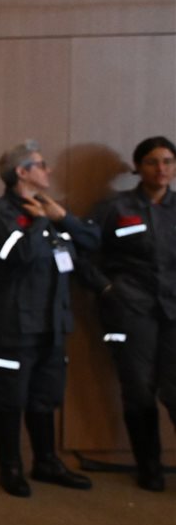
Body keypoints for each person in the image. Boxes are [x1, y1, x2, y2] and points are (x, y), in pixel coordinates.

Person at [0, 140, 100, 497]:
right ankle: (11, 467)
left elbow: (91, 243)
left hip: (52, 325)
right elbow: (15, 257)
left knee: (45, 397)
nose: (48, 170)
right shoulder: (0, 213)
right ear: (22, 172)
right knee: (10, 399)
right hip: (13, 325)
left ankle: (46, 462)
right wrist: (36, 224)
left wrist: (62, 218)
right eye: (41, 164)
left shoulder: (50, 211)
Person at [81, 136, 175, 491]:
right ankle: (149, 466)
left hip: (173, 313)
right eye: (153, 161)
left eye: (168, 161)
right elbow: (82, 252)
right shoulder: (114, 208)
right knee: (138, 390)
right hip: (131, 312)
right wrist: (107, 289)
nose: (161, 169)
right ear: (138, 167)